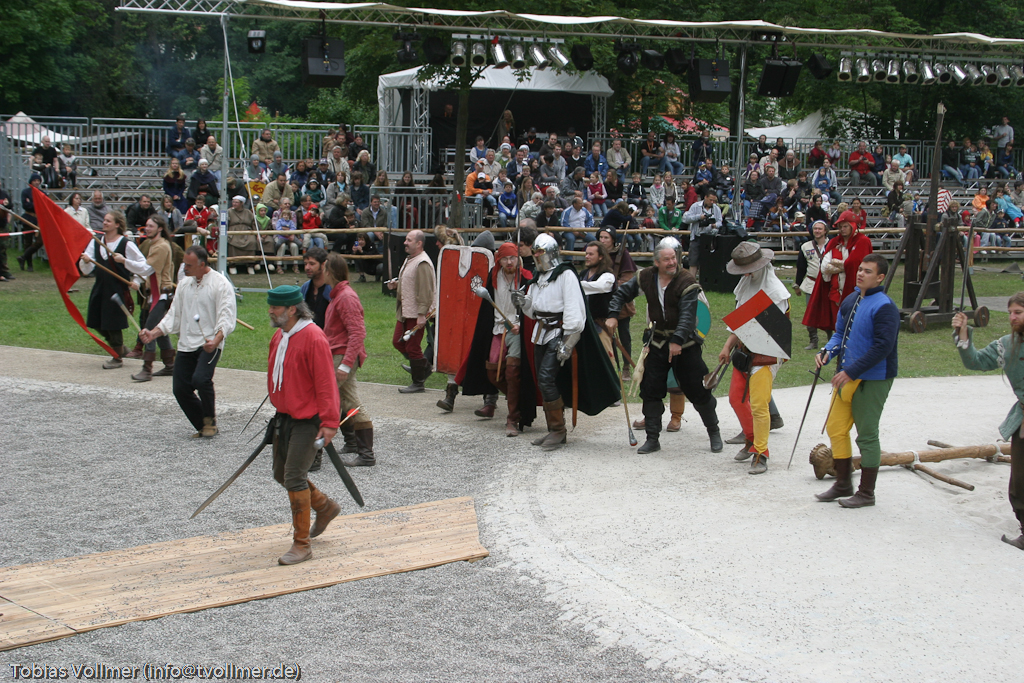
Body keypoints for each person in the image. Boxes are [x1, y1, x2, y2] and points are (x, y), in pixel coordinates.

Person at [608, 237, 723, 454]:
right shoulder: (646, 276)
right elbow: (621, 293)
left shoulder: (686, 281)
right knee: (650, 390)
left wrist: (677, 340)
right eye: (667, 259)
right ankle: (653, 439)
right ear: (657, 262)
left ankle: (714, 432)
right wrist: (613, 315)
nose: (672, 263)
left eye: (674, 258)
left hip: (686, 345)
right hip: (658, 343)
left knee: (698, 391)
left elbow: (688, 316)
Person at [512, 234, 618, 451]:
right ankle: (554, 429)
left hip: (559, 333)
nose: (537, 256)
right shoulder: (538, 277)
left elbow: (574, 308)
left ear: (550, 252)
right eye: (535, 252)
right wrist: (523, 303)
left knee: (546, 379)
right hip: (541, 333)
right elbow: (534, 312)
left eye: (540, 252)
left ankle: (558, 430)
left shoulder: (566, 274)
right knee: (546, 381)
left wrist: (568, 342)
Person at [263, 285, 341, 565]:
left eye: (275, 307)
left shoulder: (313, 337)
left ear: (292, 309)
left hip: (309, 420)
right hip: (285, 418)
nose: (270, 312)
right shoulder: (279, 336)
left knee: (294, 476)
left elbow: (326, 382)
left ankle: (302, 544)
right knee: (281, 474)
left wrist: (329, 422)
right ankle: (325, 507)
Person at [815, 255, 900, 508]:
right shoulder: (851, 299)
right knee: (836, 428)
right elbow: (840, 334)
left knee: (867, 435)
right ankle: (843, 483)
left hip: (873, 378)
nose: (861, 274)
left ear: (880, 277)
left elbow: (883, 347)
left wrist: (851, 372)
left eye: (868, 271)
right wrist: (828, 351)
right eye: (860, 269)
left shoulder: (885, 307)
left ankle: (866, 493)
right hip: (847, 375)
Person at [141, 246, 236, 438]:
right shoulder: (184, 284)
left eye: (189, 265)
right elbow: (173, 315)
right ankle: (202, 425)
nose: (185, 268)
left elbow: (226, 317)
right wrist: (153, 333)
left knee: (201, 379)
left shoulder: (220, 284)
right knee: (180, 389)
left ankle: (209, 421)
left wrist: (216, 340)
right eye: (184, 264)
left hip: (210, 344)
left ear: (202, 264)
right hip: (186, 344)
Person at [953, 294, 1024, 547]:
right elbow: (976, 361)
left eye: (1018, 312)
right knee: (1019, 484)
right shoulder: (1007, 345)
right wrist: (963, 332)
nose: (1012, 317)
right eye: (1010, 312)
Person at [719, 242, 791, 475]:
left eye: (749, 270)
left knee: (759, 404)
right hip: (745, 350)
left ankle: (761, 452)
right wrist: (728, 345)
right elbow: (741, 322)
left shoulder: (776, 293)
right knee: (736, 398)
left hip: (767, 353)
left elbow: (774, 331)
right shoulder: (746, 285)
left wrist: (747, 334)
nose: (747, 274)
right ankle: (751, 439)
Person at [453, 242, 537, 436]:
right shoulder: (494, 276)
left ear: (518, 258)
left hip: (517, 331)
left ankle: (512, 418)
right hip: (498, 329)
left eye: (512, 258)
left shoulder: (526, 278)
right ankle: (520, 401)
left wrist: (522, 324)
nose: (509, 262)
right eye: (505, 259)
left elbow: (532, 307)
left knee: (513, 372)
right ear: (499, 260)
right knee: (492, 372)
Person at [321, 253, 374, 466]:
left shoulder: (346, 297)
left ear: (330, 272)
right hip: (340, 355)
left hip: (342, 356)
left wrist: (345, 364)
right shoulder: (339, 295)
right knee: (351, 402)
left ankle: (312, 451)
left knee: (322, 397)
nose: (322, 272)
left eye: (324, 268)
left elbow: (358, 332)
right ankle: (361, 450)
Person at [79, 210, 149, 368]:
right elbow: (86, 270)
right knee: (95, 322)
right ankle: (120, 348)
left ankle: (117, 357)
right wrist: (86, 261)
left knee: (113, 324)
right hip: (100, 288)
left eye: (108, 221)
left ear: (117, 224)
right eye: (104, 220)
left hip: (117, 289)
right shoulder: (96, 242)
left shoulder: (126, 244)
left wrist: (136, 280)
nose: (104, 223)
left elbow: (142, 265)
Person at [803, 211, 873, 336]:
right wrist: (844, 265)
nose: (842, 229)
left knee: (854, 323)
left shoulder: (862, 241)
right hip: (835, 291)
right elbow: (825, 267)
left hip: (854, 289)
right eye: (840, 226)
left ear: (853, 226)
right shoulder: (835, 242)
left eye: (845, 226)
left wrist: (838, 264)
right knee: (837, 323)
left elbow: (855, 264)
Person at [388, 229, 435, 393]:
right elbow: (411, 283)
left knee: (413, 347)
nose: (405, 243)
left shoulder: (422, 263)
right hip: (406, 311)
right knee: (398, 342)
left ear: (419, 243)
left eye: (409, 240)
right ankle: (423, 367)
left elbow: (426, 291)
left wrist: (422, 314)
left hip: (416, 313)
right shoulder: (412, 259)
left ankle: (418, 382)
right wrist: (397, 285)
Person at [131, 215, 176, 381]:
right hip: (156, 293)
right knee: (160, 330)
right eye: (146, 226)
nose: (147, 229)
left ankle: (147, 368)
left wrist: (124, 261)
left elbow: (146, 268)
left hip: (161, 295)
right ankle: (170, 365)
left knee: (148, 330)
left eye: (151, 226)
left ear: (160, 228)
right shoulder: (154, 244)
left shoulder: (161, 246)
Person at [796, 220, 830, 350]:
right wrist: (797, 284)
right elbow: (801, 267)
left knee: (828, 312)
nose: (817, 231)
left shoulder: (833, 245)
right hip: (811, 283)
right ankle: (813, 340)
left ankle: (831, 339)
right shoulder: (805, 246)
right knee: (811, 312)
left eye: (820, 229)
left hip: (827, 283)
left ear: (825, 230)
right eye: (815, 228)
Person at [683, 191, 723, 277]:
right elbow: (686, 219)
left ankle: (704, 281)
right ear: (705, 197)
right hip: (696, 237)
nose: (712, 202)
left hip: (709, 238)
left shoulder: (716, 209)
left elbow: (720, 222)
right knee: (693, 262)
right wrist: (699, 217)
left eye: (714, 200)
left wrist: (715, 225)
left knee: (706, 262)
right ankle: (691, 281)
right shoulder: (695, 206)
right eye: (710, 200)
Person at [300, 247, 331, 329]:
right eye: (305, 264)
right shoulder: (304, 288)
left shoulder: (333, 289)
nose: (307, 267)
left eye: (312, 264)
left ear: (323, 264)